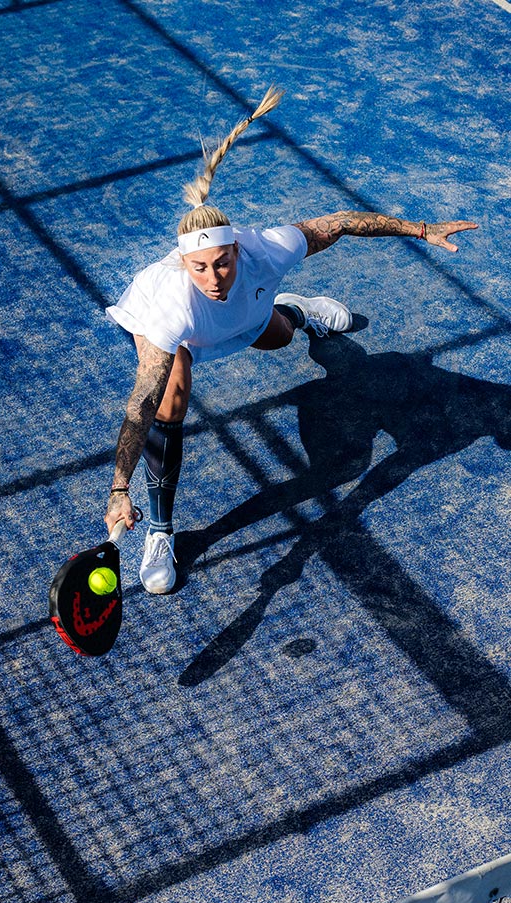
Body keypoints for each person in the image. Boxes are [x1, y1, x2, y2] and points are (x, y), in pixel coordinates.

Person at [104, 87, 477, 594]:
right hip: (185, 333)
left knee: (277, 338)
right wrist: (119, 487)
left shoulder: (268, 249)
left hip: (248, 313)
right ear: (183, 263)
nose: (212, 277)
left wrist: (422, 228)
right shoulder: (171, 304)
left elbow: (340, 224)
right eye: (199, 267)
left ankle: (297, 310)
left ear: (238, 250)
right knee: (170, 395)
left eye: (221, 263)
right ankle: (161, 530)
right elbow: (140, 404)